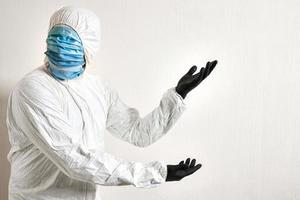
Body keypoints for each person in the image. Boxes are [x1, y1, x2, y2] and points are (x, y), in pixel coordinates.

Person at [6, 6, 217, 200]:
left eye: (71, 40)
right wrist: (157, 173)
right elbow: (72, 158)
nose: (61, 47)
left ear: (90, 46)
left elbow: (137, 132)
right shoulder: (31, 89)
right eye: (56, 37)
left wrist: (178, 95)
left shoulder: (98, 89)